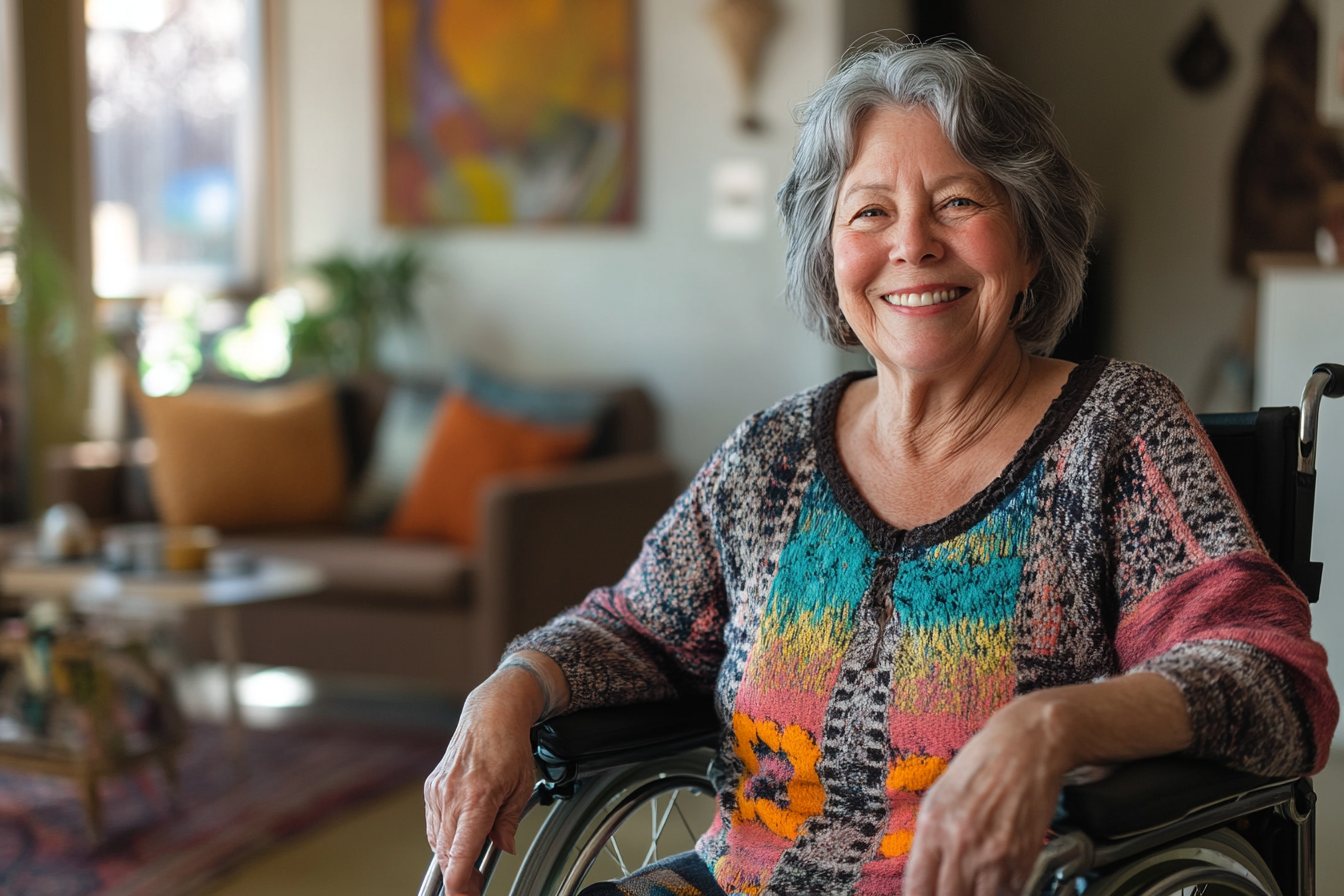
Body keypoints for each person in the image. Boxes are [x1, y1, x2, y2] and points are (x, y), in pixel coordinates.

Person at [425, 40, 1338, 896]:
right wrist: (512, 689)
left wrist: (1051, 726)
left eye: (959, 202)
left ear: (1028, 245)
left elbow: (1270, 675)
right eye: (871, 212)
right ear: (831, 258)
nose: (914, 245)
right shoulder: (770, 457)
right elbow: (636, 629)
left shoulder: (1115, 431)